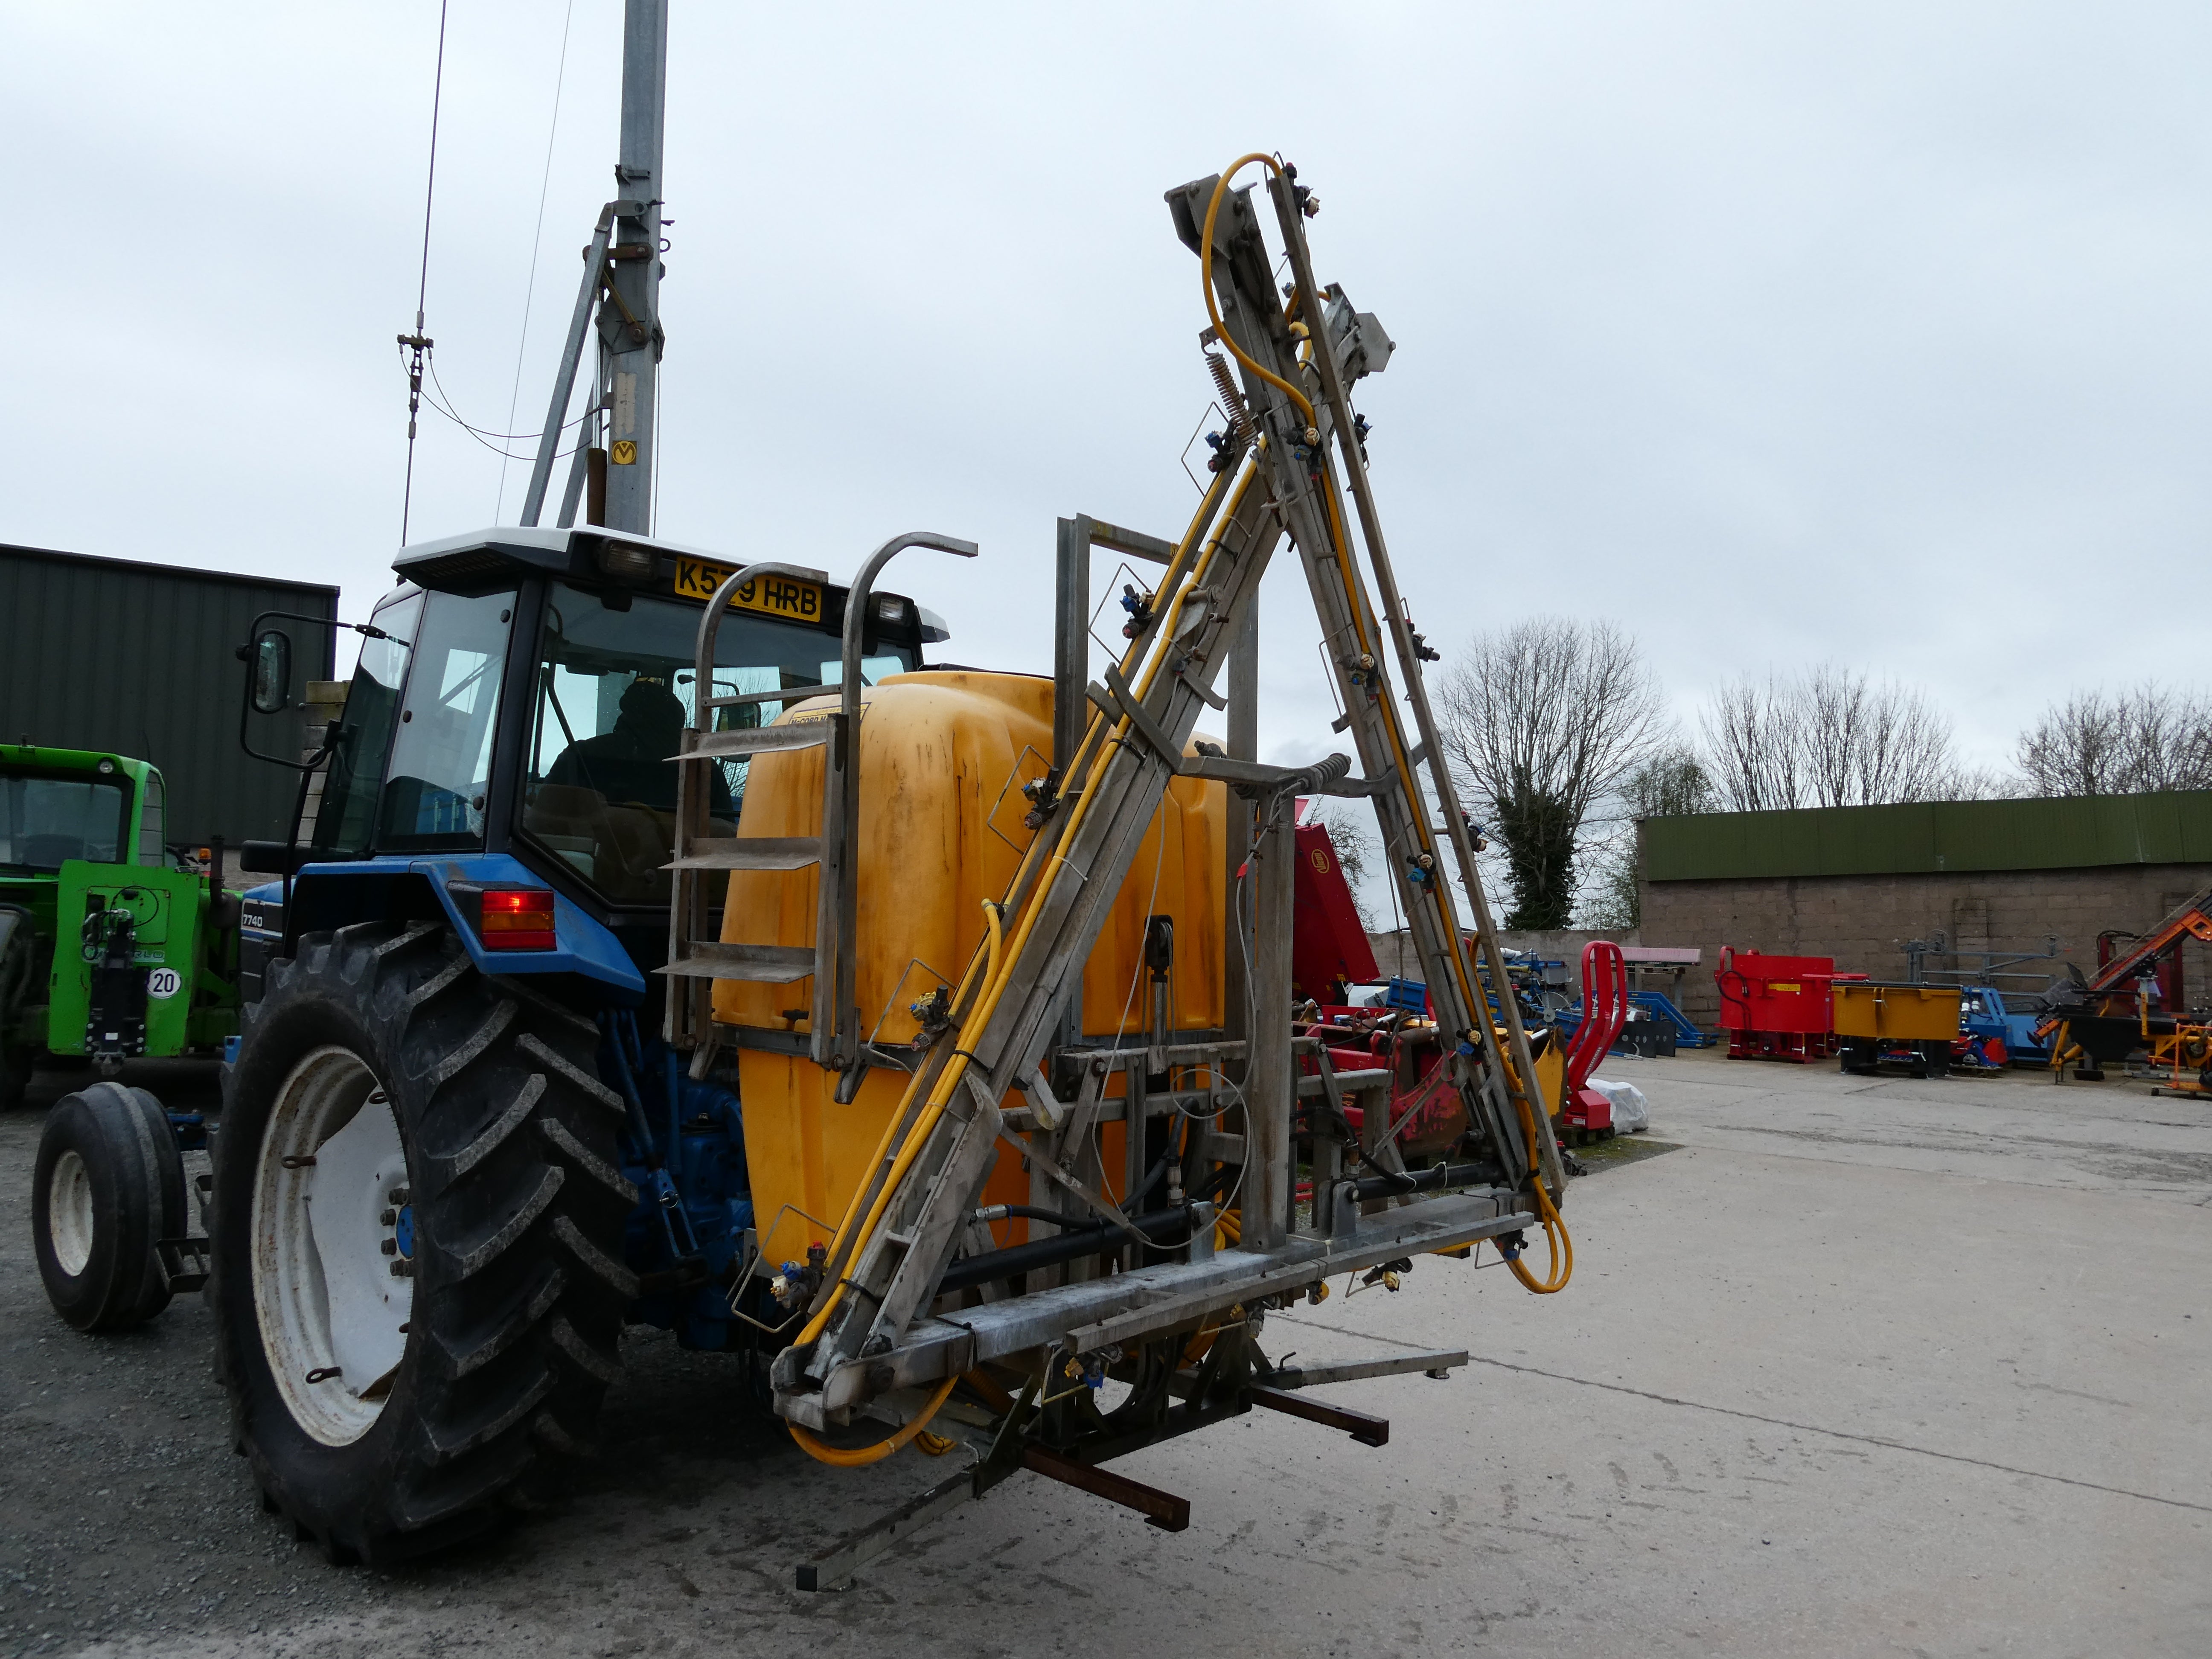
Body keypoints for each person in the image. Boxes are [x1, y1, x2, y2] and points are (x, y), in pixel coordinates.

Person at [547, 677, 733, 818]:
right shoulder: (703, 769)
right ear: (677, 718)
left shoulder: (582, 756)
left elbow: (543, 819)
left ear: (628, 712)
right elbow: (723, 835)